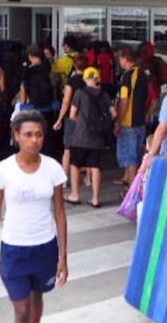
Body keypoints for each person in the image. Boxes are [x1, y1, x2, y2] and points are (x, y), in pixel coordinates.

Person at [0, 110, 68, 323]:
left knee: (37, 298)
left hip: (45, 247)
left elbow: (60, 213)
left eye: (39, 135)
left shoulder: (53, 169)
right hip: (14, 249)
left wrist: (63, 257)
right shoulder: (3, 170)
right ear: (16, 135)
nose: (34, 140)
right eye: (28, 134)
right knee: (21, 310)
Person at [64, 67, 115, 208]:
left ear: (85, 78)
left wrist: (82, 120)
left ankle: (75, 194)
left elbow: (72, 115)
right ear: (97, 78)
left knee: (75, 165)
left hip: (81, 135)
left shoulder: (80, 93)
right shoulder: (104, 94)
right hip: (98, 137)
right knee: (95, 166)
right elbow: (114, 113)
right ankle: (95, 199)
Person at [114, 46, 148, 187]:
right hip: (140, 119)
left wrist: (118, 121)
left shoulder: (127, 77)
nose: (119, 62)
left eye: (120, 59)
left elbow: (124, 101)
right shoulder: (143, 74)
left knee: (130, 157)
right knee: (135, 153)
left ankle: (131, 191)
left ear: (125, 59)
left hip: (129, 122)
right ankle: (128, 178)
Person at [19, 44, 59, 161]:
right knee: (47, 134)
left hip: (34, 106)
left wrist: (23, 104)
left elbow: (23, 88)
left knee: (33, 132)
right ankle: (49, 157)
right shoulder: (48, 67)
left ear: (30, 56)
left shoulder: (28, 71)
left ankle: (35, 156)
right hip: (49, 106)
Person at [54, 54, 89, 181]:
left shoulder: (72, 82)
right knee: (86, 148)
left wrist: (59, 119)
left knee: (68, 148)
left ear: (74, 65)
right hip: (87, 117)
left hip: (72, 117)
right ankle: (88, 179)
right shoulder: (91, 80)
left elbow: (66, 101)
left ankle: (64, 179)